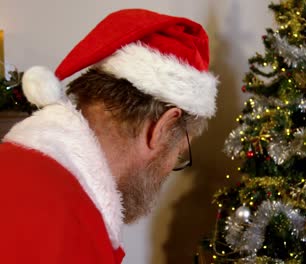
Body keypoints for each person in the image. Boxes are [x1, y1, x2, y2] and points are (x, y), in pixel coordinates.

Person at [0, 8, 218, 264]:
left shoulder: (16, 167)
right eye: (180, 153)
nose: (170, 168)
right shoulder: (69, 226)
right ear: (161, 127)